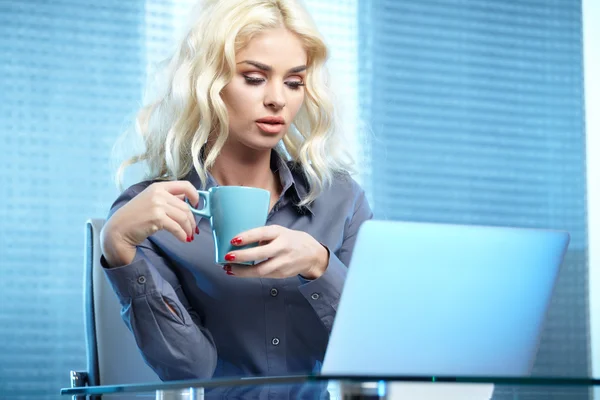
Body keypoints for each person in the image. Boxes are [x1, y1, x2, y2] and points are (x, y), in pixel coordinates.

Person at [100, 0, 372, 385]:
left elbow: (372, 351)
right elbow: (187, 371)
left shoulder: (341, 199)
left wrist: (319, 264)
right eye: (255, 78)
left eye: (294, 82)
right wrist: (117, 245)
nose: (278, 99)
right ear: (207, 82)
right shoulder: (151, 213)